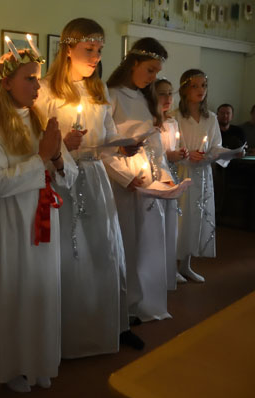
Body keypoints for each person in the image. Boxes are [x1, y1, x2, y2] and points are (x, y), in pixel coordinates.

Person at [36, 17, 140, 355]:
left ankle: (111, 324)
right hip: (63, 180)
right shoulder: (47, 90)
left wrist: (122, 146)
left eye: (99, 50)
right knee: (72, 252)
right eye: (89, 49)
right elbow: (38, 141)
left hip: (94, 178)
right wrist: (63, 145)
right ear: (68, 49)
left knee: (105, 249)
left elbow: (106, 135)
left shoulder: (99, 90)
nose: (95, 57)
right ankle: (68, 334)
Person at [0, 48, 73, 392]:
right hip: (16, 220)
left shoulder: (41, 119)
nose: (38, 85)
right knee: (17, 286)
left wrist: (58, 157)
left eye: (38, 78)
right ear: (6, 83)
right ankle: (15, 366)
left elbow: (68, 175)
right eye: (30, 78)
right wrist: (43, 157)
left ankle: (41, 360)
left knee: (43, 286)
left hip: (45, 213)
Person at [105, 37, 173, 323]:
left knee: (148, 243)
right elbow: (103, 143)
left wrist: (164, 176)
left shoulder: (146, 98)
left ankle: (143, 303)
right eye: (150, 70)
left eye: (157, 72)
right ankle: (123, 306)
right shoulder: (111, 95)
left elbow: (155, 143)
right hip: (125, 179)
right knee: (128, 243)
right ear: (133, 63)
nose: (153, 77)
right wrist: (124, 175)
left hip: (148, 178)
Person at [175, 69, 242, 282]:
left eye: (203, 85)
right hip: (182, 172)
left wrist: (232, 153)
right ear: (184, 89)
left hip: (203, 174)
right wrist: (187, 155)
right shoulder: (175, 116)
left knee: (196, 218)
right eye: (195, 86)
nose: (200, 90)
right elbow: (170, 146)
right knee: (180, 217)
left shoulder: (210, 117)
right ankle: (172, 265)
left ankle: (186, 265)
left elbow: (215, 146)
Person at [154, 78, 189, 288]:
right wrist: (168, 155)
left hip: (172, 175)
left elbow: (173, 149)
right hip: (155, 177)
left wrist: (180, 154)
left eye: (170, 93)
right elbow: (153, 153)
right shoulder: (150, 122)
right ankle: (156, 270)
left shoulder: (172, 122)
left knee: (171, 223)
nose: (168, 98)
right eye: (162, 93)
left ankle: (170, 269)